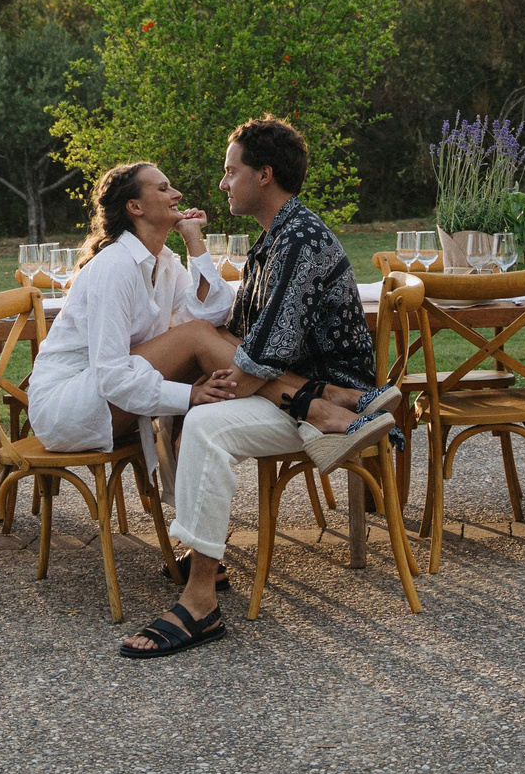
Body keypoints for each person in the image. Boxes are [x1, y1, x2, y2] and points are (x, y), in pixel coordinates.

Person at [121, 116, 399, 659]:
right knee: (192, 387)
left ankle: (199, 601)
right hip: (303, 390)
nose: (223, 183)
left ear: (264, 175)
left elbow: (262, 355)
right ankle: (329, 410)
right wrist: (221, 364)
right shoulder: (276, 238)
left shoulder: (298, 239)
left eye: (231, 172)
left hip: (317, 386)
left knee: (202, 418)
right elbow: (238, 327)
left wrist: (225, 371)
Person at [27, 161, 242, 487]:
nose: (177, 194)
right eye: (163, 188)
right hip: (67, 409)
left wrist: (193, 240)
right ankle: (302, 403)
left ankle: (302, 397)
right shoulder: (115, 267)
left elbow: (212, 313)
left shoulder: (164, 262)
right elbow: (112, 375)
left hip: (110, 394)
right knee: (199, 338)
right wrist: (189, 396)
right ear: (135, 207)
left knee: (219, 334)